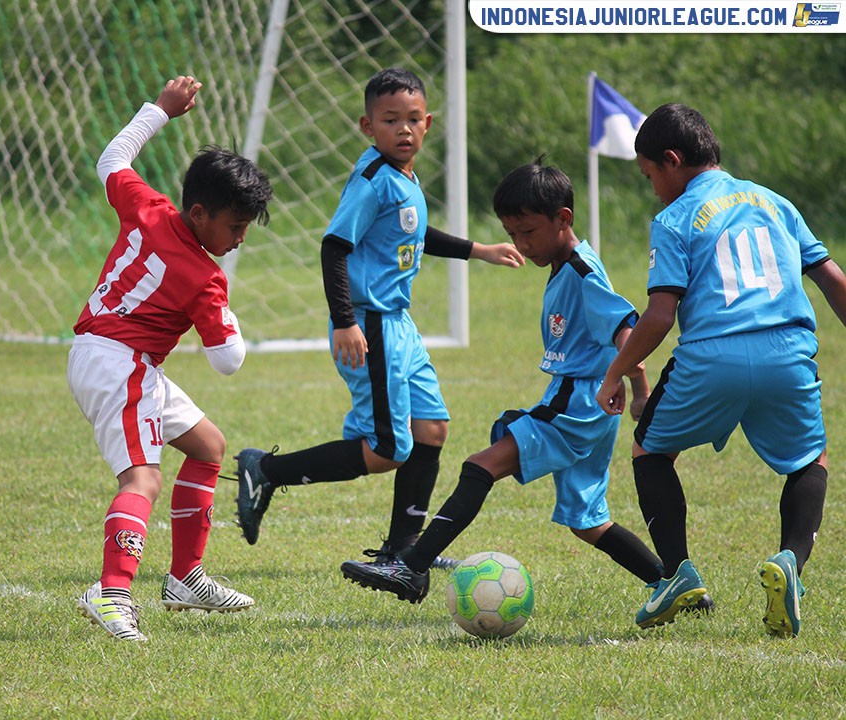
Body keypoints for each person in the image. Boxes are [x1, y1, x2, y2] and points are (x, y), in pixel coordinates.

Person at [341, 160, 694, 619]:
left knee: (479, 466)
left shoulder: (584, 271)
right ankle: (676, 584)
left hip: (578, 403)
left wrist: (639, 388)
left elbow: (628, 330)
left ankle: (411, 566)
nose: (522, 244)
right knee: (588, 522)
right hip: (584, 406)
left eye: (528, 232)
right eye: (513, 232)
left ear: (563, 219)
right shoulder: (566, 264)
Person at [234, 67, 523, 569]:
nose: (404, 129)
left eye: (413, 119)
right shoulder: (372, 180)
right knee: (388, 447)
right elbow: (334, 248)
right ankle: (267, 471)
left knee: (431, 429)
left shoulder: (404, 178)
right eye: (391, 120)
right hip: (368, 325)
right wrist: (344, 319)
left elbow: (415, 234)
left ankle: (403, 549)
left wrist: (479, 249)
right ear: (369, 128)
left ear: (428, 123)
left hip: (400, 325)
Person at [596, 103, 846, 637]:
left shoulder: (674, 218)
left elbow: (661, 313)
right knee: (810, 460)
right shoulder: (775, 202)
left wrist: (616, 370)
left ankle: (678, 573)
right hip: (788, 351)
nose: (654, 190)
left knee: (650, 449)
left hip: (711, 356)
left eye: (650, 177)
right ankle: (791, 567)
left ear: (671, 160)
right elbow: (830, 279)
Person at [69, 76, 273, 642]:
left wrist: (160, 110)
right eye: (235, 227)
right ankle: (111, 593)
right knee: (142, 478)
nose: (239, 239)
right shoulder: (204, 277)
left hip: (106, 354)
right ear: (202, 213)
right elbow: (228, 360)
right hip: (120, 362)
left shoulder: (149, 206)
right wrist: (226, 314)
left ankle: (185, 578)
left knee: (208, 446)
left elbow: (112, 158)